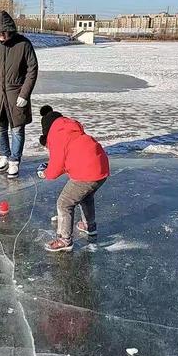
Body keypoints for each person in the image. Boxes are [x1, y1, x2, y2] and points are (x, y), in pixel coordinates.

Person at [37, 105, 110, 252]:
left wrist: (45, 173)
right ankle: (89, 226)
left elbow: (56, 166)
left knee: (64, 203)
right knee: (86, 197)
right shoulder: (71, 129)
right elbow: (72, 156)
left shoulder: (57, 136)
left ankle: (64, 240)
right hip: (101, 167)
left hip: (86, 173)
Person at [0, 11, 38, 179]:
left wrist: (24, 94)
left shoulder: (24, 44)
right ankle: (4, 156)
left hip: (17, 95)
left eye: (3, 32)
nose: (1, 36)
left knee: (17, 130)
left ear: (10, 29)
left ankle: (14, 161)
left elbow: (32, 70)